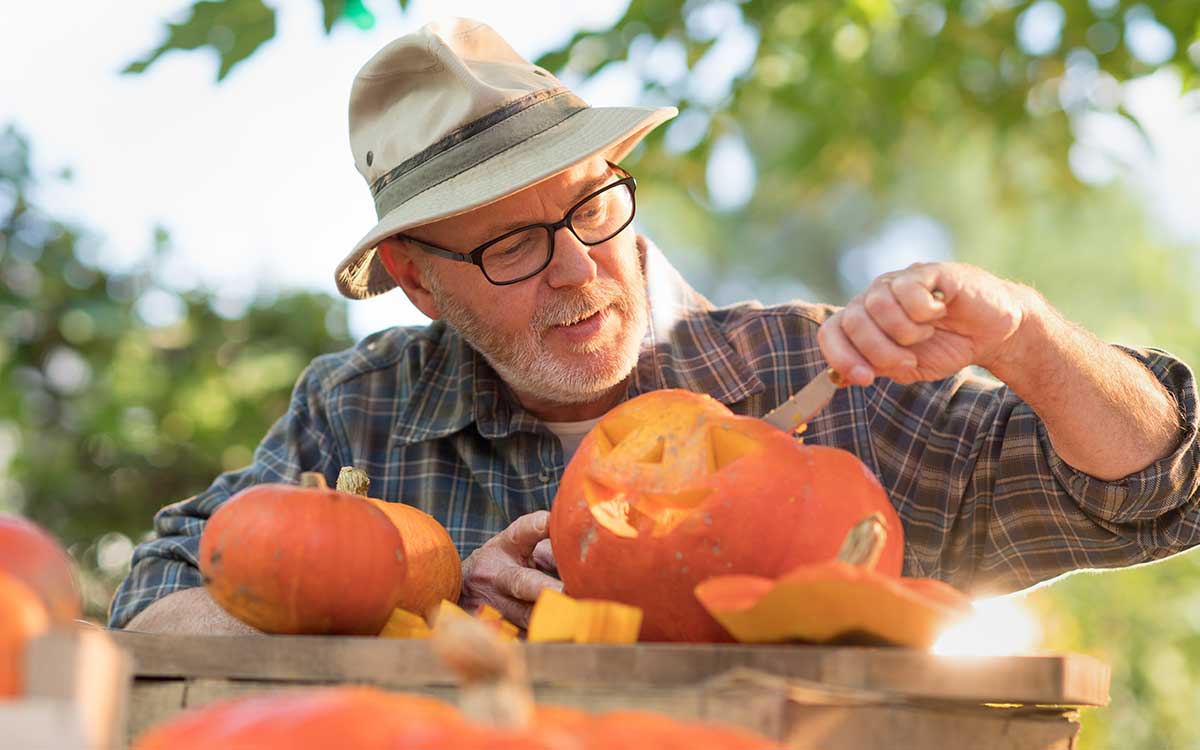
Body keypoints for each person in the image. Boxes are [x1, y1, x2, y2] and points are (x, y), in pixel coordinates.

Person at [109, 18, 1199, 635]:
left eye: (592, 205)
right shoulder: (361, 411)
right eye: (512, 244)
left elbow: (1156, 490)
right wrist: (420, 596)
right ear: (419, 283)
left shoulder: (828, 375)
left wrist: (1023, 336)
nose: (578, 266)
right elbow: (153, 600)